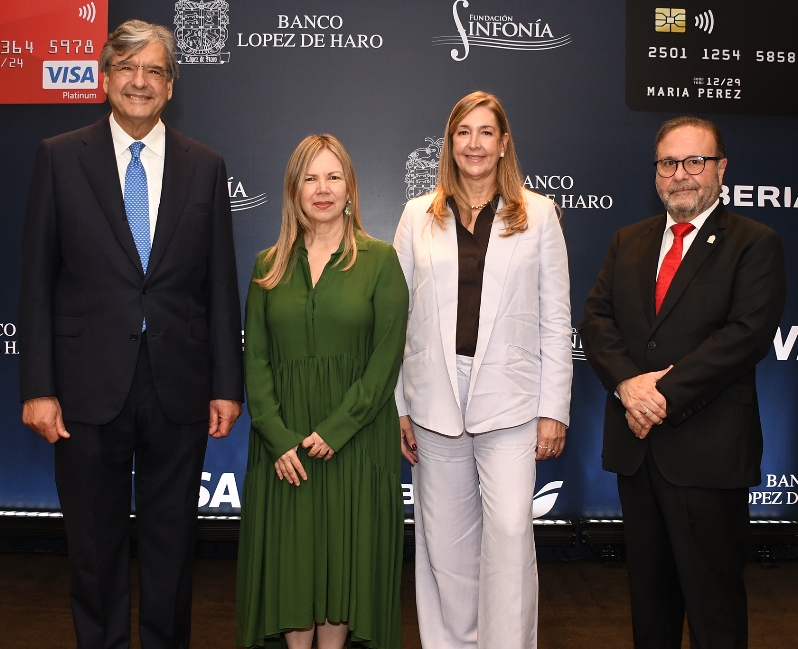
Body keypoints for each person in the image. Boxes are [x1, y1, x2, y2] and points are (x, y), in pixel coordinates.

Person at [18, 20, 244, 649]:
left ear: (171, 86)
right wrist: (37, 386)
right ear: (104, 78)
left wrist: (227, 385)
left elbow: (219, 284)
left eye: (154, 71)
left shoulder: (206, 166)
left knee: (173, 548)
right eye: (127, 67)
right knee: (93, 550)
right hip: (84, 388)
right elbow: (36, 280)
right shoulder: (59, 157)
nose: (140, 81)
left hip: (179, 386)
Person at [579, 116, 787, 648]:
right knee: (651, 607)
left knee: (715, 610)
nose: (681, 174)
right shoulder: (628, 240)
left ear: (721, 169)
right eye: (669, 163)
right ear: (656, 173)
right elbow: (596, 321)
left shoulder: (754, 243)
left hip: (708, 452)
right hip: (638, 451)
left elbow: (745, 336)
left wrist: (658, 397)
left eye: (695, 161)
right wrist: (628, 386)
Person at [394, 91, 572, 649]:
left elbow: (555, 317)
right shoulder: (417, 215)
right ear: (450, 142)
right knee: (444, 548)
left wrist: (554, 409)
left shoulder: (539, 215)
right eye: (463, 132)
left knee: (511, 538)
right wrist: (398, 404)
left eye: (486, 132)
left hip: (513, 401)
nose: (474, 143)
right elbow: (396, 317)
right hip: (433, 400)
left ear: (503, 143)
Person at [235, 134, 409, 649]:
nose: (322, 188)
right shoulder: (268, 265)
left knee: (342, 565)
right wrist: (276, 436)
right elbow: (255, 360)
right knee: (294, 565)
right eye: (310, 178)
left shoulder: (381, 261)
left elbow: (385, 360)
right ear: (294, 190)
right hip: (285, 449)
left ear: (350, 187)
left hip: (355, 440)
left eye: (333, 177)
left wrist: (337, 429)